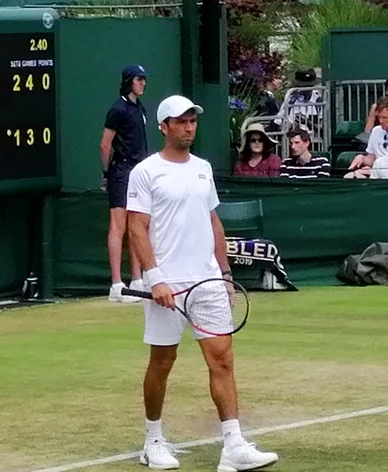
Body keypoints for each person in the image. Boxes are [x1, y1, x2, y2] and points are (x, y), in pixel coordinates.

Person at [126, 95, 279, 471]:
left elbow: (213, 223)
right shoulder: (145, 172)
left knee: (223, 359)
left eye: (192, 120)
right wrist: (155, 277)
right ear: (163, 127)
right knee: (162, 362)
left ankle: (233, 446)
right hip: (167, 284)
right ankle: (153, 440)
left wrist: (225, 274)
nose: (189, 126)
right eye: (180, 121)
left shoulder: (203, 169)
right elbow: (136, 227)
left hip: (208, 280)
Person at [99, 64, 150, 302]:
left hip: (139, 171)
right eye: (139, 79)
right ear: (129, 81)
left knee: (136, 225)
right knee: (118, 226)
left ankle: (137, 281)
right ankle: (117, 285)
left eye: (144, 80)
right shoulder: (117, 108)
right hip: (121, 170)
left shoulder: (140, 108)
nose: (143, 83)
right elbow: (105, 144)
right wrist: (107, 172)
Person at [346, 97, 388, 179]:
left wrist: (374, 169)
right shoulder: (376, 131)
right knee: (350, 176)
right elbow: (371, 158)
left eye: (385, 117)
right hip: (377, 172)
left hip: (382, 170)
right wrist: (362, 158)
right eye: (379, 117)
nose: (381, 121)